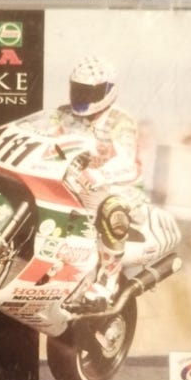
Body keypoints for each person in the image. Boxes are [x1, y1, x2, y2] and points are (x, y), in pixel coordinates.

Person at [60, 56, 145, 308]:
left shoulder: (121, 122)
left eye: (90, 91)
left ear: (108, 91)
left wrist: (100, 174)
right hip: (75, 185)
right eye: (79, 89)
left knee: (112, 208)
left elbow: (128, 163)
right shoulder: (62, 114)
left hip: (120, 186)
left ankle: (109, 279)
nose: (83, 96)